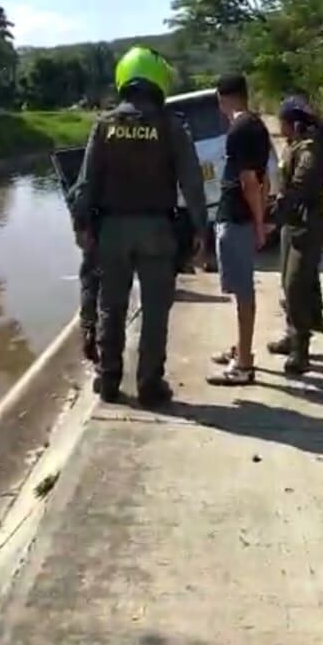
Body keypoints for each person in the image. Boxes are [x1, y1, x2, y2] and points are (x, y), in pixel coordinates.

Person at [72, 46, 207, 406]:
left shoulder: (104, 126)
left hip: (112, 232)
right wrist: (199, 229)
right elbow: (192, 184)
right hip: (158, 232)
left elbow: (86, 184)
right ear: (158, 81)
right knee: (155, 311)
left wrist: (81, 225)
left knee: (110, 307)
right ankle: (150, 384)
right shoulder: (172, 126)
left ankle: (109, 380)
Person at [205, 74, 274, 386]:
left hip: (237, 218)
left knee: (243, 292)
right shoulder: (256, 126)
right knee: (239, 291)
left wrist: (259, 225)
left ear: (222, 98)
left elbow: (248, 182)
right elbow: (264, 179)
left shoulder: (239, 130)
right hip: (238, 217)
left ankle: (244, 364)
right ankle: (240, 348)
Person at [268, 95, 323, 373]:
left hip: (307, 223)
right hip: (293, 223)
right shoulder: (295, 145)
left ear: (292, 123)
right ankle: (292, 335)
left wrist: (273, 214)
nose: (279, 128)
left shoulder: (310, 150)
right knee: (288, 281)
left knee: (296, 287)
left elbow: (299, 186)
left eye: (282, 122)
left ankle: (301, 351)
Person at [66, 174, 100, 363]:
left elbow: (77, 193)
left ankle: (89, 329)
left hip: (98, 232)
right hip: (131, 231)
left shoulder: (99, 149)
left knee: (90, 282)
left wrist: (80, 228)